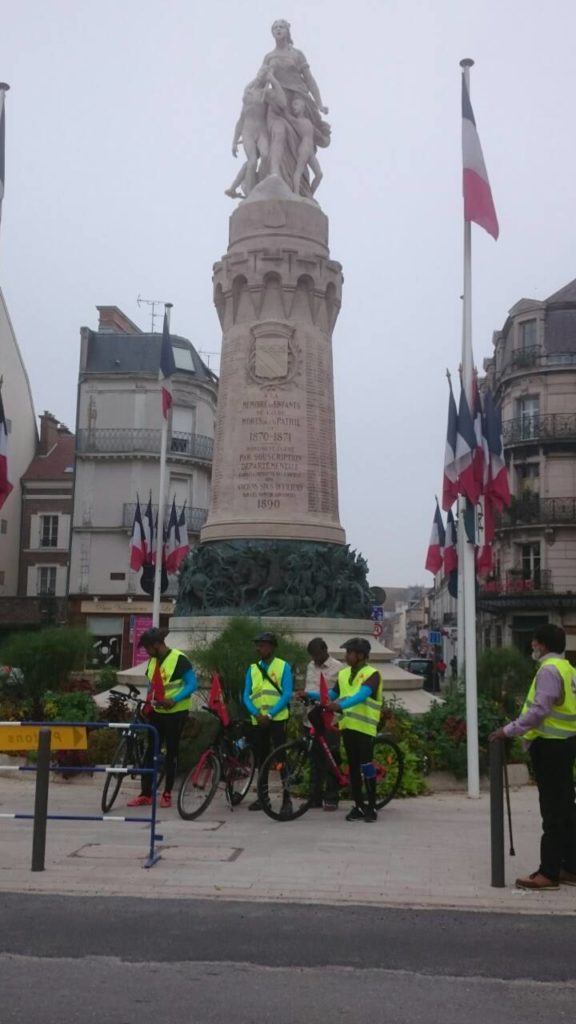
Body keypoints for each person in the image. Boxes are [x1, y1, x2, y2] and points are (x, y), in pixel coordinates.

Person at [490, 624, 576, 891]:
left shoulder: (549, 671)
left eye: (535, 642)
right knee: (566, 809)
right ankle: (570, 867)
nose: (532, 646)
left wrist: (508, 730)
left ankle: (548, 873)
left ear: (543, 645)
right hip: (566, 744)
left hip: (551, 748)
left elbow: (539, 710)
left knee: (552, 812)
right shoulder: (568, 669)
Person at [127, 628, 198, 810]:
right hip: (157, 712)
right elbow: (152, 685)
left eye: (147, 648)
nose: (146, 652)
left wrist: (174, 699)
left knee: (171, 753)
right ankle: (146, 794)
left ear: (157, 645)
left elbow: (192, 684)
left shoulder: (179, 659)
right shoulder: (153, 661)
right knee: (150, 751)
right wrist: (147, 705)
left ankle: (167, 793)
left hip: (176, 712)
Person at [325, 638, 383, 823]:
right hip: (348, 727)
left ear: (360, 655)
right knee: (353, 768)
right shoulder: (343, 674)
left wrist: (340, 706)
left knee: (367, 767)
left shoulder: (372, 674)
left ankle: (371, 807)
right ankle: (358, 806)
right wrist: (309, 694)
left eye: (349, 652)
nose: (346, 656)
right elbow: (331, 694)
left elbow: (361, 695)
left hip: (365, 728)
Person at [243, 632, 293, 811]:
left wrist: (270, 715)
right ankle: (263, 798)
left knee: (281, 759)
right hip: (258, 720)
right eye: (257, 645)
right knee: (261, 759)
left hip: (277, 719)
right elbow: (246, 695)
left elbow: (287, 694)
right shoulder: (252, 669)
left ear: (272, 647)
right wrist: (256, 714)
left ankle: (287, 800)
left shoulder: (283, 666)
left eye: (262, 645)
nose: (259, 648)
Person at [226, 67, 287, 198]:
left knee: (265, 156)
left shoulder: (266, 94)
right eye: (260, 73)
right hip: (248, 131)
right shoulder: (248, 93)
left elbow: (283, 102)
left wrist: (273, 80)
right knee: (252, 161)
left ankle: (257, 182)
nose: (261, 76)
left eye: (264, 74)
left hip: (261, 131)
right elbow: (241, 120)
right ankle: (250, 192)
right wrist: (234, 142)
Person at [303, 638, 343, 810]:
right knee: (314, 760)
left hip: (329, 721)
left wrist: (314, 696)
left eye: (318, 655)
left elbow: (335, 694)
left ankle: (331, 797)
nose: (316, 659)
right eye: (313, 656)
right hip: (311, 720)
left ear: (325, 650)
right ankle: (315, 797)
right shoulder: (310, 666)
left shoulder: (338, 668)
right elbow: (309, 688)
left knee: (331, 759)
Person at [287, 95, 323, 196]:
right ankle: (296, 194)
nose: (293, 107)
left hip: (310, 150)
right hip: (304, 147)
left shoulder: (307, 121)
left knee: (319, 174)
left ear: (303, 106)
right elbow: (285, 114)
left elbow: (316, 133)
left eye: (296, 104)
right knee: (298, 171)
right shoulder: (294, 120)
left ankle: (310, 195)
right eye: (292, 105)